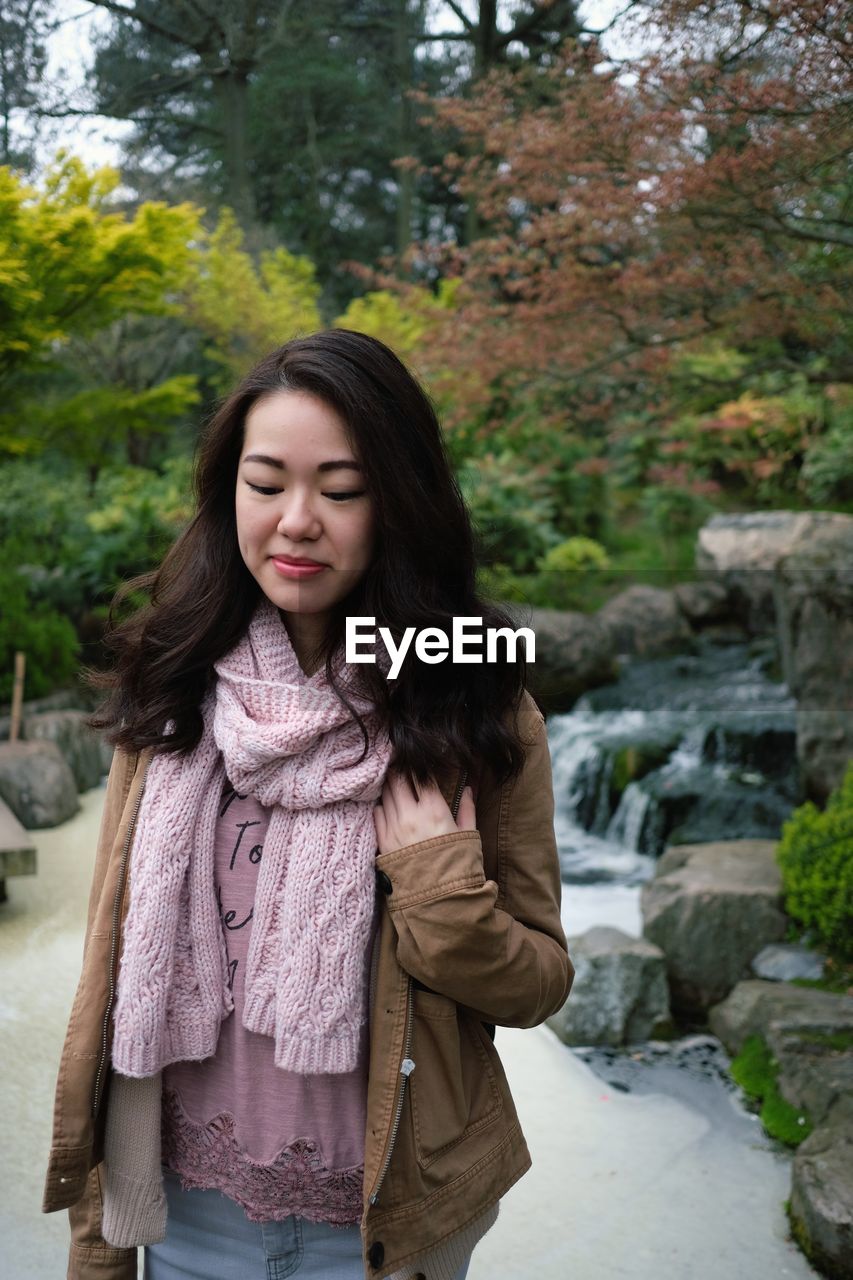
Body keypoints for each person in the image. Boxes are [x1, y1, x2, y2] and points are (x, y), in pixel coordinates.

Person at [42, 328, 574, 1280]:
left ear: (398, 502)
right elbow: (109, 977)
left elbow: (537, 984)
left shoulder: (475, 705)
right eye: (264, 484)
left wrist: (435, 891)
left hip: (378, 1230)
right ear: (226, 494)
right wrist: (98, 1244)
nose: (295, 521)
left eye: (340, 490)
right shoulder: (171, 688)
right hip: (178, 1216)